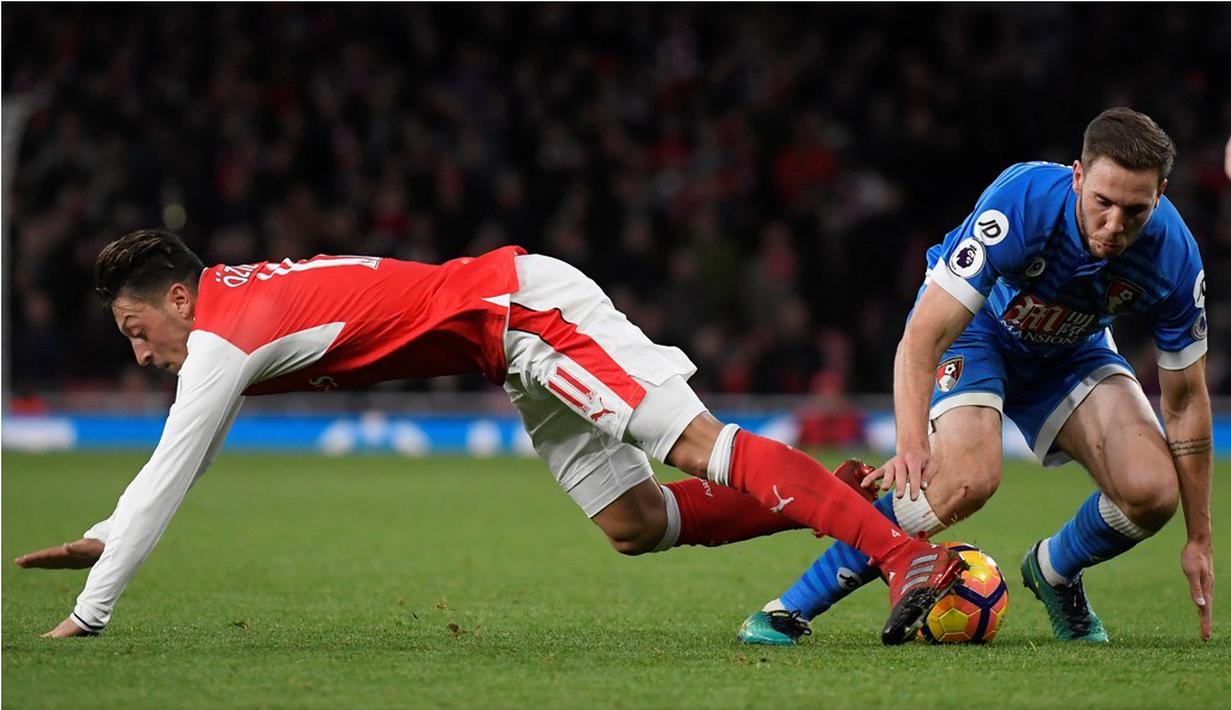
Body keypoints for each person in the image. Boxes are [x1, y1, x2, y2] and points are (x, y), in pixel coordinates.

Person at [15, 230, 967, 644]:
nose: (143, 356)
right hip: (504, 342)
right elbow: (164, 467)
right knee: (635, 523)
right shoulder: (232, 296)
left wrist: (91, 608)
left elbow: (174, 467)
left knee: (695, 443)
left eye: (141, 333)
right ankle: (835, 500)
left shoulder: (223, 335)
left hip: (525, 313)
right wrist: (106, 534)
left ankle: (897, 557)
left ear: (177, 298)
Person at [739, 107, 1213, 645]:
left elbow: (1185, 402)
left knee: (1152, 492)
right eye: (1102, 202)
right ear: (1077, 175)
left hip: (1071, 348)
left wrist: (1199, 536)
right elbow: (923, 338)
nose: (1114, 225)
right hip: (979, 330)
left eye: (1136, 210)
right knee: (966, 477)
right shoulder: (1023, 203)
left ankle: (1053, 570)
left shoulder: (1175, 257)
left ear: (1161, 194)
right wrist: (912, 443)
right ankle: (790, 608)